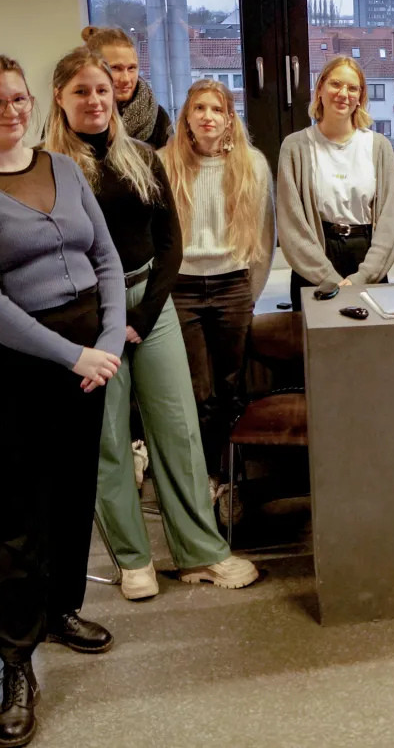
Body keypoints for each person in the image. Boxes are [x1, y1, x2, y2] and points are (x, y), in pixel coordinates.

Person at [0, 54, 125, 747]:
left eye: (17, 99)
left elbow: (106, 258)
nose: (11, 111)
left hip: (83, 356)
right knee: (10, 512)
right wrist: (75, 353)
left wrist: (106, 341)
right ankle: (15, 660)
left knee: (71, 494)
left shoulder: (63, 167)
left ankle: (61, 608)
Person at [44, 48, 259, 600]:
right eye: (81, 92)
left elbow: (169, 244)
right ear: (60, 100)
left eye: (101, 89)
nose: (95, 100)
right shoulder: (49, 167)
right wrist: (111, 322)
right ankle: (133, 560)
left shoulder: (142, 155)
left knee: (179, 428)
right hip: (87, 316)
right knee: (110, 439)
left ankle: (200, 552)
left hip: (149, 304)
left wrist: (142, 313)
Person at [162, 80, 276, 506]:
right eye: (199, 109)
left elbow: (265, 239)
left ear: (230, 118)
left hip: (232, 286)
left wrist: (250, 293)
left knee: (229, 389)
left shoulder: (253, 165)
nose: (208, 116)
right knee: (196, 391)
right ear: (187, 118)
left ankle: (228, 476)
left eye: (217, 109)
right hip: (182, 290)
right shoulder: (165, 164)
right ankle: (203, 476)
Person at [278, 55, 394, 309]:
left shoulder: (379, 147)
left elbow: (388, 220)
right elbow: (292, 224)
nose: (343, 93)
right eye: (335, 84)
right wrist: (328, 279)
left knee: (370, 346)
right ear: (320, 88)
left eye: (352, 88)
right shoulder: (295, 147)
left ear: (360, 97)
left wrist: (362, 278)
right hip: (314, 263)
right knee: (319, 346)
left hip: (367, 260)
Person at [81, 25, 173, 150]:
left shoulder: (156, 116)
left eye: (131, 68)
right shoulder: (73, 114)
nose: (125, 79)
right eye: (115, 68)